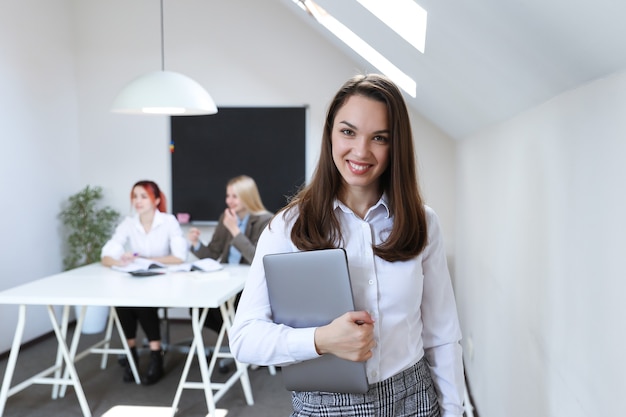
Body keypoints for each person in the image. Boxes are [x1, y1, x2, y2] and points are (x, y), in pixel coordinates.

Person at [229, 74, 465, 416]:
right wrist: (321, 340)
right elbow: (245, 339)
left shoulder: (422, 222)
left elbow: (442, 334)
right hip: (323, 406)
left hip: (413, 400)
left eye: (379, 137)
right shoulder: (287, 227)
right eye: (348, 131)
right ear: (330, 133)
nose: (361, 151)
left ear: (395, 145)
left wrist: (455, 410)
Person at [101, 180, 187, 385]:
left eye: (143, 196)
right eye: (135, 196)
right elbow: (106, 255)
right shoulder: (129, 223)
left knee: (142, 301)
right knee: (122, 300)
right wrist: (120, 260)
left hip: (164, 281)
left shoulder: (168, 221)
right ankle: (132, 355)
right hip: (138, 279)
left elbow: (179, 256)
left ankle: (156, 355)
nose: (137, 201)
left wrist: (146, 260)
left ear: (156, 200)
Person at [187, 175, 273, 333]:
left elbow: (256, 258)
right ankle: (230, 340)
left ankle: (237, 341)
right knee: (197, 309)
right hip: (226, 279)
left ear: (247, 196)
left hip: (248, 285)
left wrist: (234, 230)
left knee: (232, 311)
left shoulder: (265, 220)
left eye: (235, 196)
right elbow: (213, 254)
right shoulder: (225, 218)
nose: (229, 201)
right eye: (228, 196)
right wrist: (195, 243)